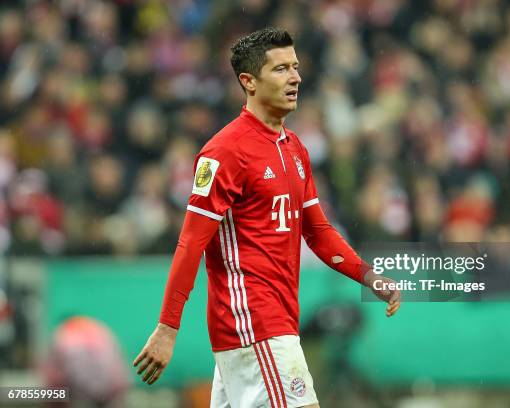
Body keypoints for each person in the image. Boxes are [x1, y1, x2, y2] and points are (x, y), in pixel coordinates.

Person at [133, 27, 401, 408]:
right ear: (249, 82)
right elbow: (192, 242)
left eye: (295, 67)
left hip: (267, 325)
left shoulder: (294, 149)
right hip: (254, 322)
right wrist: (167, 327)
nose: (295, 77)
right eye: (280, 70)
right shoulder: (225, 152)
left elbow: (319, 232)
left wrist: (368, 275)